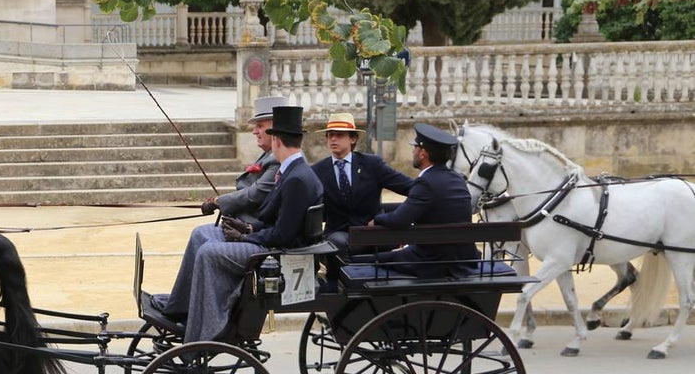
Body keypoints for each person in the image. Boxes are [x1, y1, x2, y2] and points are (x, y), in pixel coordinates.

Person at [156, 105, 324, 342]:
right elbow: (273, 220)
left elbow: (282, 236)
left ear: (276, 140)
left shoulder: (296, 178)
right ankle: (184, 308)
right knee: (201, 237)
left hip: (275, 254)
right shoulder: (294, 171)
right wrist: (249, 228)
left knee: (209, 253)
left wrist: (247, 237)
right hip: (268, 243)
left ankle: (208, 328)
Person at [351, 123, 479, 279]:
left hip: (432, 262)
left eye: (415, 147)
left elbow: (399, 220)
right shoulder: (457, 179)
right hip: (463, 259)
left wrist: (376, 219)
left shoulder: (425, 182)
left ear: (423, 153)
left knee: (362, 261)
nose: (413, 151)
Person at [309, 112, 413, 255]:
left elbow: (412, 188)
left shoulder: (372, 165)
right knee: (337, 243)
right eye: (330, 135)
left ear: (353, 138)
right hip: (338, 237)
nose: (333, 139)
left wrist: (395, 219)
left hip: (373, 233)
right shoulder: (317, 171)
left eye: (339, 135)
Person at [199, 95, 288, 225]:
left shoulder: (280, 159)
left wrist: (217, 201)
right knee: (200, 234)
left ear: (276, 128)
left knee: (201, 236)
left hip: (257, 226)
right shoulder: (270, 154)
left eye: (260, 126)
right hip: (248, 219)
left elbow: (255, 195)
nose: (254, 132)